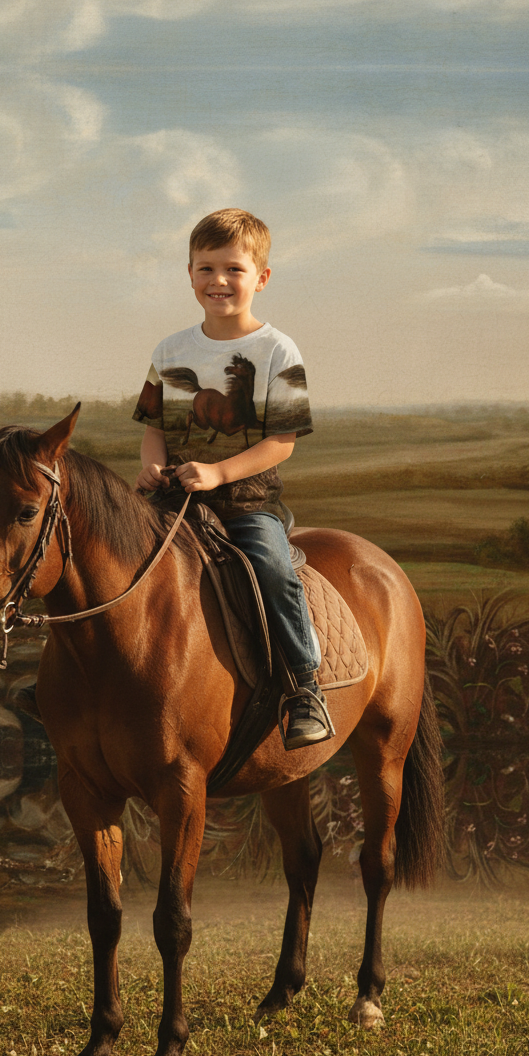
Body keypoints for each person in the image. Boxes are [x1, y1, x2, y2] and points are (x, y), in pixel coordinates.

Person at [132, 207, 333, 749]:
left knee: (270, 568)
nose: (218, 281)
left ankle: (302, 686)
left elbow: (281, 441)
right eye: (205, 269)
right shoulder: (169, 350)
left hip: (246, 503)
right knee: (103, 552)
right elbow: (155, 428)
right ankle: (72, 678)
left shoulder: (276, 351)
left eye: (233, 269)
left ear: (261, 278)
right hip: (174, 498)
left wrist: (219, 471)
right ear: (190, 274)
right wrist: (152, 464)